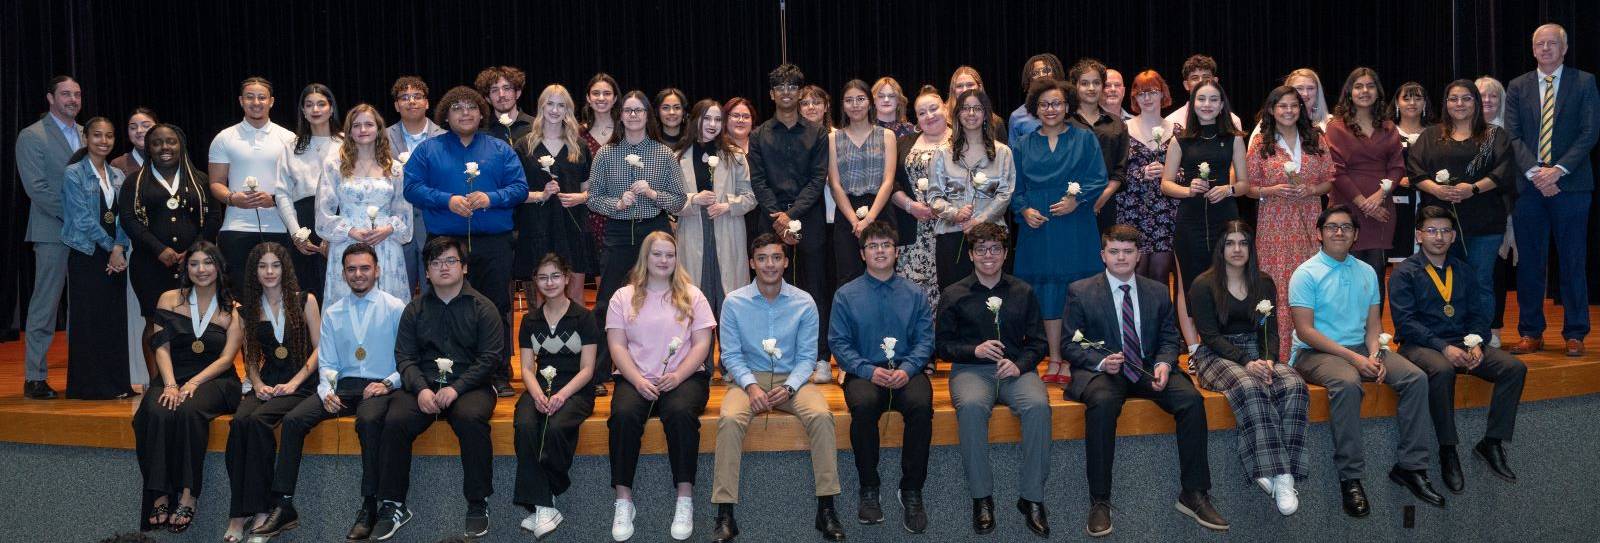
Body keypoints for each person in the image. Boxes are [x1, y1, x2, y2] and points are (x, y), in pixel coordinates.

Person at [1062, 225, 1226, 536]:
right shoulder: (1080, 291)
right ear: (1103, 255)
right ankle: (1099, 500)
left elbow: (1168, 337)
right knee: (1101, 403)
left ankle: (1194, 493)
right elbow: (1070, 344)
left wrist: (1165, 363)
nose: (1121, 257)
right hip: (1105, 371)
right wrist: (1099, 360)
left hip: (1149, 367)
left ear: (1138, 256)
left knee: (1191, 401)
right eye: (1114, 251)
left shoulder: (1157, 290)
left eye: (1127, 252)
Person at [1288, 206, 1441, 516]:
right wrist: (1356, 360)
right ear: (1320, 233)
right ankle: (1351, 477)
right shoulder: (1305, 273)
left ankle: (1411, 466)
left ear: (1356, 235)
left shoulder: (1368, 272)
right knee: (1347, 383)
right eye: (1332, 227)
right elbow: (1305, 330)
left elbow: (1373, 327)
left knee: (1416, 378)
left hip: (1360, 347)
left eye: (1346, 227)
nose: (1339, 232)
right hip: (1315, 352)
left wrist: (1375, 353)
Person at [709, 234, 846, 542]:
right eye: (762, 258)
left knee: (822, 416)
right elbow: (730, 354)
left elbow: (808, 356)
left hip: (792, 379)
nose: (769, 264)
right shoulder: (734, 302)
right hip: (748, 379)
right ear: (751, 263)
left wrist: (790, 388)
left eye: (775, 258)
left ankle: (826, 508)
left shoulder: (804, 302)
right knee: (729, 420)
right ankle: (725, 512)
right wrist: (751, 386)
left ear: (785, 262)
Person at [371, 237, 503, 541]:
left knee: (472, 420)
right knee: (394, 421)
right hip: (424, 386)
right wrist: (419, 388)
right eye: (435, 262)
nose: (443, 267)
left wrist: (456, 389)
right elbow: (404, 356)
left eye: (450, 261)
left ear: (464, 267)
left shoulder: (483, 308)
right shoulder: (414, 309)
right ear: (427, 272)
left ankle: (477, 502)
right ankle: (393, 504)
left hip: (470, 385)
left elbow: (490, 358)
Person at [271, 243, 404, 542]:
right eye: (352, 269)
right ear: (343, 273)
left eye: (365, 268)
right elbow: (328, 361)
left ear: (377, 270)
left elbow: (407, 358)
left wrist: (388, 383)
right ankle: (284, 503)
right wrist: (326, 391)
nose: (358, 274)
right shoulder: (333, 311)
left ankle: (370, 505)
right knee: (293, 420)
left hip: (379, 387)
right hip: (343, 387)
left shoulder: (395, 308)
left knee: (368, 422)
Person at [1390, 205, 1526, 493]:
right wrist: (1443, 347)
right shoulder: (1405, 272)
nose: (1438, 236)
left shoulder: (1463, 270)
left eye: (1444, 231)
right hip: (1420, 345)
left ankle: (1491, 442)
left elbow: (1478, 314)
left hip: (1462, 343)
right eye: (1431, 230)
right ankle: (1448, 450)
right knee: (1441, 368)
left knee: (1515, 368)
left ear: (1453, 236)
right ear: (1418, 235)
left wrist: (1476, 342)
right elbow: (1406, 322)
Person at [402, 85, 528, 397]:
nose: (466, 113)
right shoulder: (429, 150)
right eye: (457, 108)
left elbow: (520, 188)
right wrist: (446, 200)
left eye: (471, 107)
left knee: (497, 306)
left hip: (493, 242)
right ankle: (445, 367)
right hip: (445, 242)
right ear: (446, 115)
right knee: (443, 306)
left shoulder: (499, 149)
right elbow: (411, 188)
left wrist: (491, 198)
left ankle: (498, 371)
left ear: (481, 113)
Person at [934, 223, 1052, 536]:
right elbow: (942, 346)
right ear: (971, 255)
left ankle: (1032, 498)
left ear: (1005, 253)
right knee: (971, 408)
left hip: (1015, 369)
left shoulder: (1022, 291)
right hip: (970, 370)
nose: (989, 256)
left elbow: (1039, 342)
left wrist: (1019, 364)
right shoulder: (954, 294)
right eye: (982, 250)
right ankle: (982, 497)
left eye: (996, 249)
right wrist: (975, 349)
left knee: (1039, 407)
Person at [1186, 220, 1308, 516]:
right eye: (1230, 243)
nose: (1237, 249)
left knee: (1294, 384)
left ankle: (1282, 475)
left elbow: (1271, 328)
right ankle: (1281, 474)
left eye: (1243, 243)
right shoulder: (1203, 284)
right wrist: (1246, 362)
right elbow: (1210, 336)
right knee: (1249, 386)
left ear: (1251, 248)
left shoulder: (1263, 282)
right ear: (1221, 248)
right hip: (1217, 354)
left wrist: (1268, 358)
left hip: (1257, 350)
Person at [604, 232, 715, 542]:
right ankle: (624, 500)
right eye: (657, 255)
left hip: (684, 377)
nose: (664, 260)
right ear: (645, 258)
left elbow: (702, 344)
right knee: (623, 416)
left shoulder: (693, 295)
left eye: (670, 254)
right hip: (635, 376)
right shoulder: (622, 297)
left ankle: (684, 497)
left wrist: (678, 376)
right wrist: (637, 380)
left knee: (679, 413)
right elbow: (617, 345)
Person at [829, 221, 935, 533]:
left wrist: (908, 369)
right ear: (862, 254)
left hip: (906, 369)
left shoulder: (915, 294)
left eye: (885, 245)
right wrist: (867, 370)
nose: (880, 251)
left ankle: (912, 489)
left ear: (895, 251)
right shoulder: (846, 295)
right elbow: (838, 342)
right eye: (873, 246)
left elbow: (925, 340)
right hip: (865, 370)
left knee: (920, 406)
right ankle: (869, 487)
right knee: (862, 406)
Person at [133, 242, 243, 533]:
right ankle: (158, 493)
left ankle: (187, 494)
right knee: (156, 411)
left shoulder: (233, 309)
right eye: (194, 264)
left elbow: (227, 358)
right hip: (172, 375)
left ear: (219, 267)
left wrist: (193, 383)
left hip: (215, 379)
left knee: (190, 410)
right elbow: (160, 346)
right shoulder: (168, 299)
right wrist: (169, 384)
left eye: (208, 263)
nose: (201, 270)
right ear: (186, 268)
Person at [1504, 23, 1599, 357]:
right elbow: (1512, 136)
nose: (1546, 48)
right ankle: (1531, 332)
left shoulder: (1585, 82)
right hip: (1529, 189)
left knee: (1573, 260)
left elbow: (1589, 132)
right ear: (1533, 50)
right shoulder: (1517, 86)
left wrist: (1557, 171)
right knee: (1530, 261)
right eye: (1540, 44)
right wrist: (1536, 173)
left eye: (1552, 43)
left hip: (1571, 186)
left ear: (1564, 48)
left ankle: (1575, 332)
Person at [588, 90, 689, 398]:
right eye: (628, 111)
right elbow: (593, 198)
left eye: (639, 111)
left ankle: (666, 363)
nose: (633, 116)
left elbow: (680, 198)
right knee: (607, 302)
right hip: (618, 232)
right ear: (621, 115)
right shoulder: (606, 153)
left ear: (648, 116)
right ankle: (600, 371)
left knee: (661, 298)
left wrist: (653, 193)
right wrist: (616, 204)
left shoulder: (663, 154)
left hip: (653, 230)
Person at [1011, 79, 1108, 386]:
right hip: (1037, 228)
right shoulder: (1023, 144)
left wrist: (1076, 200)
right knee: (1047, 293)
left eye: (1056, 103)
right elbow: (1015, 190)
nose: (1050, 109)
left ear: (1067, 106)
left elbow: (1098, 179)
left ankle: (1074, 357)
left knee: (1075, 290)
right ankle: (1054, 357)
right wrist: (1024, 210)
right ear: (1034, 109)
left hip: (1075, 224)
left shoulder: (1084, 139)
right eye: (1043, 104)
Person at [224, 243, 321, 542]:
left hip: (301, 381)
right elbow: (250, 357)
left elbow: (321, 348)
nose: (269, 272)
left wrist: (294, 383)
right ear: (254, 271)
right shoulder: (245, 310)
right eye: (262, 266)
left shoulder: (305, 300)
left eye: (275, 265)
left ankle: (264, 510)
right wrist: (257, 383)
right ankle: (238, 514)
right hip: (267, 382)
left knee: (258, 422)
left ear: (285, 269)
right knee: (239, 423)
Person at [1406, 80, 1514, 334]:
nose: (1460, 104)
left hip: (1485, 222)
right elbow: (1415, 170)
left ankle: (1480, 337)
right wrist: (1437, 190)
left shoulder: (1493, 135)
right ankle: (1447, 335)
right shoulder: (1430, 135)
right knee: (1442, 281)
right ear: (1445, 103)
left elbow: (1504, 171)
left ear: (1476, 102)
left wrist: (1472, 188)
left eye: (1466, 98)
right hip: (1440, 224)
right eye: (1453, 99)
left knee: (1480, 281)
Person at [748, 64, 833, 375]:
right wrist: (778, 219)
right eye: (780, 88)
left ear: (800, 93)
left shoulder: (817, 133)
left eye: (792, 87)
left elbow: (817, 178)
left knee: (814, 287)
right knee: (770, 287)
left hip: (808, 218)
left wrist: (791, 215)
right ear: (772, 94)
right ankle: (773, 356)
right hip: (769, 220)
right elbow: (758, 180)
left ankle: (820, 357)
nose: (786, 92)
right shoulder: (758, 135)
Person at [119, 124, 217, 378]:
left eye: (171, 142)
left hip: (195, 266)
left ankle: (194, 376)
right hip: (150, 265)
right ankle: (157, 382)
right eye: (157, 143)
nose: (165, 148)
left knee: (196, 321)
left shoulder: (200, 179)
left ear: (181, 145)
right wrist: (158, 249)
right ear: (148, 148)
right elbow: (129, 219)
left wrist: (194, 251)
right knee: (154, 322)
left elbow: (215, 217)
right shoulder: (134, 182)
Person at [513, 254, 599, 539]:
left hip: (574, 388)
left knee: (558, 428)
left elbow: (588, 369)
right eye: (542, 277)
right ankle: (545, 505)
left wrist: (561, 395)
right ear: (535, 281)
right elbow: (526, 367)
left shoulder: (583, 317)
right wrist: (537, 395)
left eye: (554, 276)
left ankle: (545, 496)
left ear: (566, 278)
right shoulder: (530, 320)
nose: (549, 283)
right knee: (525, 424)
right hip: (539, 387)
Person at [1248, 85, 1335, 361]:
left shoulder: (1316, 139)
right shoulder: (1261, 142)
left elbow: (1330, 179)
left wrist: (1311, 189)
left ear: (1301, 110)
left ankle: (1312, 351)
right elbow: (1248, 187)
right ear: (1272, 110)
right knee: (1277, 286)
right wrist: (1270, 190)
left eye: (1294, 105)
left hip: (1309, 221)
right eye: (1282, 105)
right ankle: (1279, 353)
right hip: (1274, 225)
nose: (1288, 111)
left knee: (1311, 284)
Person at [14, 75, 83, 399]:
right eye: (66, 94)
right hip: (53, 231)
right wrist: (78, 216)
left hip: (85, 235)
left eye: (77, 94)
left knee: (82, 306)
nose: (72, 99)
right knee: (46, 304)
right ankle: (35, 377)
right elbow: (37, 188)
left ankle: (83, 372)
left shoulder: (86, 133)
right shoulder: (32, 136)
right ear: (50, 98)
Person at [60, 116, 135, 399]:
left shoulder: (118, 175)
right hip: (87, 254)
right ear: (86, 139)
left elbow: (124, 217)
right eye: (97, 136)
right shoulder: (74, 174)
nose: (103, 141)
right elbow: (81, 219)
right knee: (89, 320)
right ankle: (89, 386)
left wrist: (120, 247)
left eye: (109, 136)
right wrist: (111, 248)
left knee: (113, 320)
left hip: (115, 255)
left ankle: (116, 385)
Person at [317, 104, 413, 304]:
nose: (362, 130)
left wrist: (388, 229)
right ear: (349, 131)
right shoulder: (334, 165)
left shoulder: (394, 168)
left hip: (385, 245)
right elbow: (323, 213)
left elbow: (404, 213)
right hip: (347, 243)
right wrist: (351, 231)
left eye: (368, 124)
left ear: (378, 129)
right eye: (357, 125)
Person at [209, 76, 297, 289]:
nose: (256, 103)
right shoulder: (224, 137)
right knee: (239, 292)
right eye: (250, 97)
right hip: (236, 227)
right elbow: (215, 183)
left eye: (261, 97)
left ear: (271, 101)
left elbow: (298, 185)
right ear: (241, 101)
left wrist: (274, 199)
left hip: (279, 226)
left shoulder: (288, 138)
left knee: (279, 293)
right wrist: (232, 198)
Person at [1326, 68, 1404, 301]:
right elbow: (1336, 171)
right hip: (1346, 207)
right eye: (1358, 86)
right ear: (1349, 92)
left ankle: (1373, 334)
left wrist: (1379, 197)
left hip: (1381, 209)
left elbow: (1397, 167)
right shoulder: (1336, 126)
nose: (1365, 91)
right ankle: (1346, 335)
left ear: (1378, 92)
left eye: (1370, 86)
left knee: (1375, 274)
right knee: (1345, 274)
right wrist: (1363, 203)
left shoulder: (1389, 127)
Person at [514, 84, 597, 302]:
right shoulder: (525, 146)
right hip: (538, 227)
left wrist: (580, 198)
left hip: (573, 227)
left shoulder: (579, 145)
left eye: (561, 105)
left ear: (568, 110)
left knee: (576, 297)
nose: (554, 110)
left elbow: (590, 191)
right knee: (544, 297)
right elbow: (516, 192)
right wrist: (540, 195)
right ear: (541, 106)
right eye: (550, 103)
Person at [675, 98, 755, 316]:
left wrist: (727, 206)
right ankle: (703, 351)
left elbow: (750, 196)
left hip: (727, 229)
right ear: (695, 121)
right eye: (706, 118)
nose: (712, 124)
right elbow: (671, 201)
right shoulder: (678, 156)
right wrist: (693, 200)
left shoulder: (735, 155)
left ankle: (732, 351)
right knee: (695, 303)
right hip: (693, 230)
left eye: (718, 119)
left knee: (730, 302)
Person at [930, 88, 1013, 289]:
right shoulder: (942, 154)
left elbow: (1005, 194)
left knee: (993, 299)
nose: (971, 113)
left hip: (991, 239)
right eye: (965, 108)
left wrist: (978, 221)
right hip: (952, 235)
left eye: (977, 108)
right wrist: (955, 214)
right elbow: (934, 196)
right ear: (957, 114)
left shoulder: (1002, 152)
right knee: (954, 298)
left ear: (986, 114)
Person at [829, 80, 899, 283]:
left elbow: (888, 181)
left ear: (870, 102)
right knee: (848, 275)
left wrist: (869, 220)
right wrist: (854, 221)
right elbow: (835, 184)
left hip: (880, 210)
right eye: (849, 100)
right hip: (846, 214)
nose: (855, 105)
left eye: (860, 99)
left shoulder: (887, 136)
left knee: (884, 273)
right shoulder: (834, 138)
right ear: (843, 105)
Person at [276, 83, 339, 299]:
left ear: (331, 108)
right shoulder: (291, 146)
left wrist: (334, 234)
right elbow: (282, 194)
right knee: (307, 293)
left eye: (321, 104)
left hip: (339, 221)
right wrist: (296, 234)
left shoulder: (346, 144)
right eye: (309, 105)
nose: (315, 109)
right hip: (304, 221)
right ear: (303, 110)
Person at [891, 87, 952, 308]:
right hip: (914, 233)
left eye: (933, 109)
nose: (929, 116)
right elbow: (891, 184)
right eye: (922, 112)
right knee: (914, 299)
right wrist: (910, 206)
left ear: (945, 108)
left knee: (951, 293)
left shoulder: (961, 140)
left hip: (951, 229)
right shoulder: (904, 143)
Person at [1117, 70, 1180, 283]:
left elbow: (1189, 173)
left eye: (1152, 92)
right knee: (1136, 276)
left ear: (1163, 94)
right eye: (1141, 93)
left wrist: (1168, 173)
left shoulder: (1178, 131)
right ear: (1134, 97)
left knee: (1161, 276)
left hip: (1167, 213)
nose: (1147, 98)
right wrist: (1140, 174)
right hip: (1133, 213)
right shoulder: (1122, 130)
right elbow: (1114, 173)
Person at [386, 76, 446, 293]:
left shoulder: (445, 137)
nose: (411, 101)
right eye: (404, 97)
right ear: (396, 105)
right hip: (395, 226)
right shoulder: (382, 138)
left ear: (427, 103)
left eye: (417, 96)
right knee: (398, 295)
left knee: (435, 294)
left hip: (434, 224)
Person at [1067, 59, 1131, 236]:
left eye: (1096, 83)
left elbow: (1120, 169)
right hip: (1070, 201)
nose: (1091, 88)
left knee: (1103, 256)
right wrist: (1077, 198)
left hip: (1105, 203)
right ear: (1075, 86)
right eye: (1085, 83)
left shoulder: (1117, 123)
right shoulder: (1065, 123)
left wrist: (1100, 200)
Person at [1476, 75, 1516, 347]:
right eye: (1481, 96)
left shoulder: (1512, 132)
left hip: (1502, 213)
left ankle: (1495, 328)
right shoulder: (1462, 131)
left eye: (1493, 96)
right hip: (1469, 212)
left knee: (1495, 272)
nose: (1487, 100)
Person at [582, 73, 624, 285]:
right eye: (596, 93)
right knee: (603, 279)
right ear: (588, 98)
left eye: (607, 93)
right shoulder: (579, 134)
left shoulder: (627, 130)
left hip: (625, 210)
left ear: (615, 98)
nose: (601, 98)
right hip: (592, 214)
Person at [1391, 81, 1431, 263]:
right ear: (1397, 103)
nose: (1412, 103)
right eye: (1406, 98)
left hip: (1429, 201)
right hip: (1396, 204)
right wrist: (1396, 180)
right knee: (1399, 262)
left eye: (1418, 98)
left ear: (1425, 103)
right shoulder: (1387, 132)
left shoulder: (1435, 133)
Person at [1164, 55, 1244, 129]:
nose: (1201, 82)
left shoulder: (1232, 121)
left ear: (1215, 81)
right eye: (1195, 78)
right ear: (1186, 85)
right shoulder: (1171, 122)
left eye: (1206, 77)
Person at [1009, 53, 1066, 143]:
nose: (1041, 75)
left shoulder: (1070, 108)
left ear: (1056, 74)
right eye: (1035, 73)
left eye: (1046, 70)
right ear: (1029, 81)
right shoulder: (1017, 117)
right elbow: (1015, 154)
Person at [946, 65, 1009, 142]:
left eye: (970, 85)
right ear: (953, 90)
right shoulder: (944, 120)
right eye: (959, 86)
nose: (965, 90)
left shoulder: (995, 122)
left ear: (980, 88)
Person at [477, 66, 534, 145]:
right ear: (487, 98)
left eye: (507, 88)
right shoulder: (480, 131)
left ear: (517, 93)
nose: (501, 95)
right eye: (494, 90)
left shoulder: (536, 126)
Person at [112, 107, 157, 176]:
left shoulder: (169, 158)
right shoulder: (118, 164)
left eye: (146, 126)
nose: (139, 130)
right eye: (133, 127)